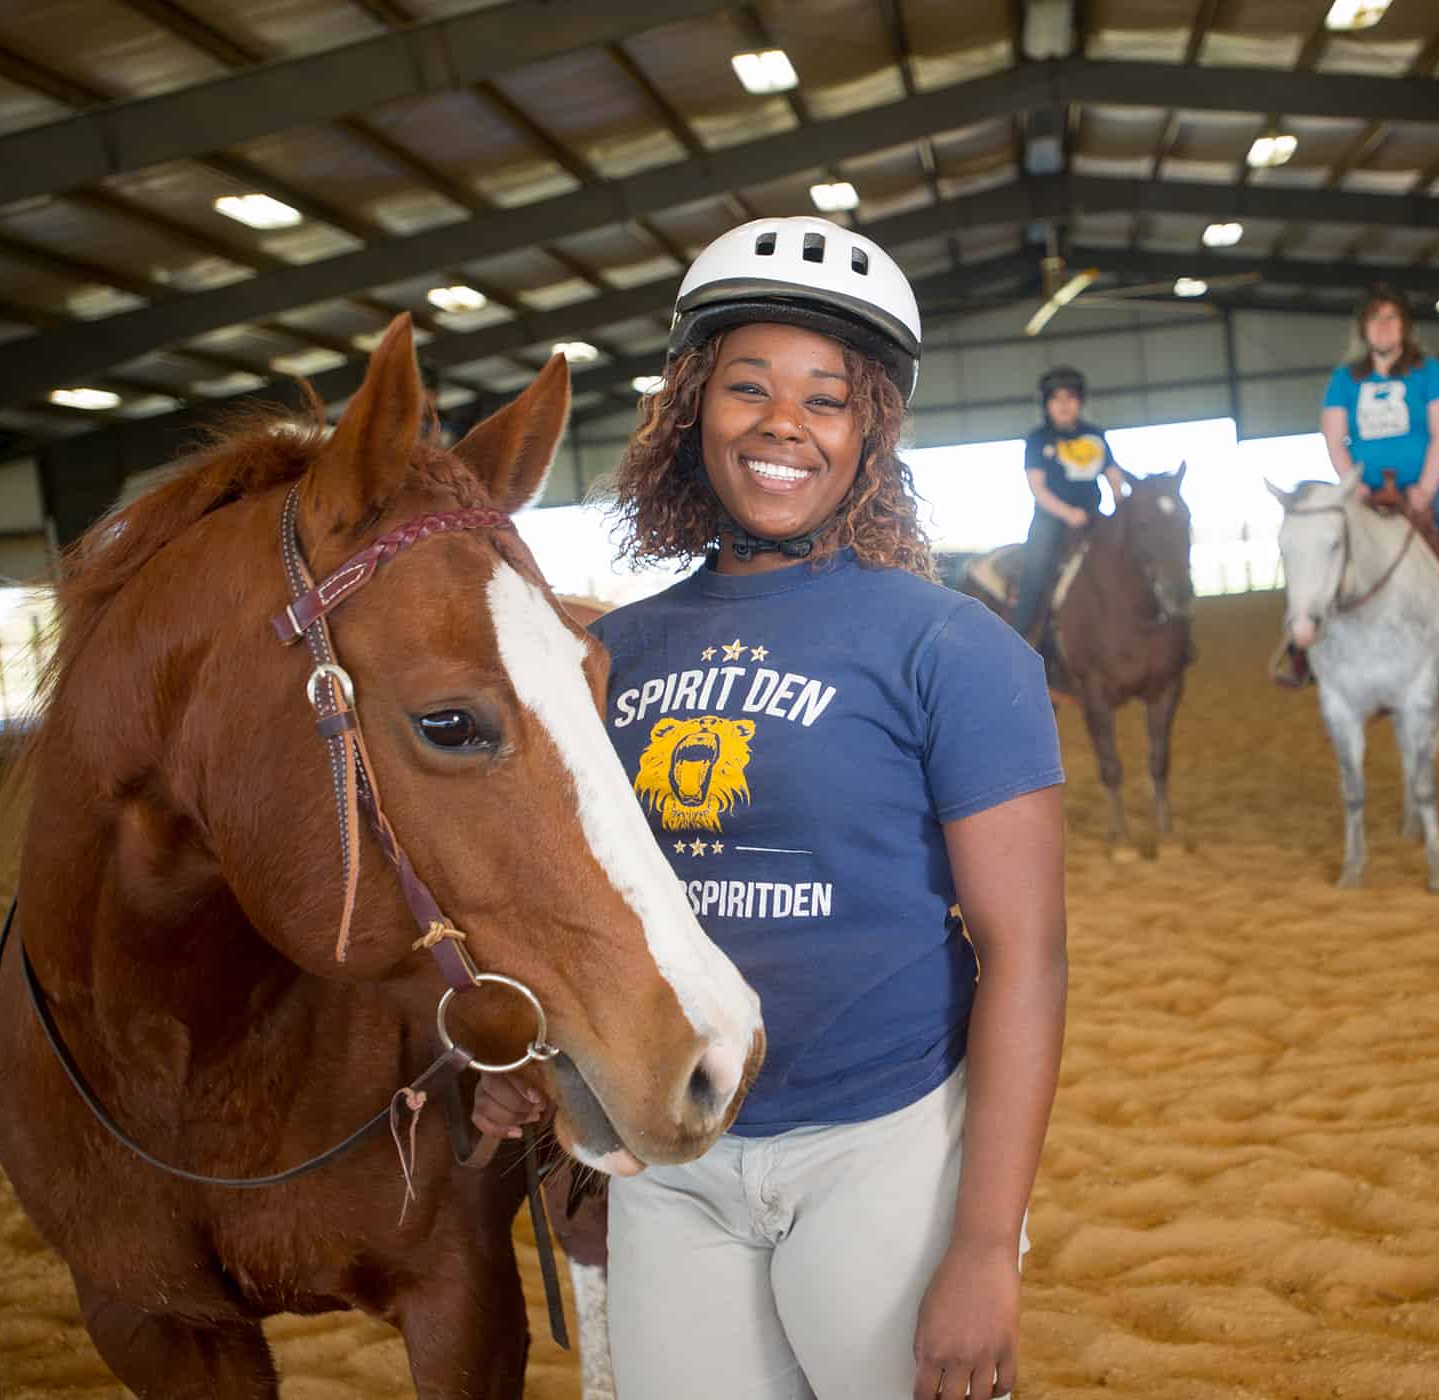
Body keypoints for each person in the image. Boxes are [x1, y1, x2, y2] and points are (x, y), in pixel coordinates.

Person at [474, 215, 1069, 1400]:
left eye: (826, 398)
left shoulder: (952, 648)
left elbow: (1028, 957)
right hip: (677, 1160)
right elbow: (576, 900)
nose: (783, 422)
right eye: (748, 387)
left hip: (882, 1138)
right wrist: (532, 1058)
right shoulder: (608, 655)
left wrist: (980, 1245)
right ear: (692, 408)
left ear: (869, 434)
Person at [1272, 283, 1439, 695]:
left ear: (1404, 327)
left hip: (1425, 486)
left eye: (1392, 319)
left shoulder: (1428, 371)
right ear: (1364, 330)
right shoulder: (1344, 379)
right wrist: (1352, 488)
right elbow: (1334, 438)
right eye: (1376, 320)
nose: (1384, 327)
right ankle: (1299, 650)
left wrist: (1425, 488)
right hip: (1362, 490)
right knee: (1318, 551)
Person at [1008, 366, 1129, 647]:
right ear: (1047, 404)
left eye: (1070, 397)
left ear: (1080, 402)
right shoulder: (1038, 439)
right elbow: (1038, 489)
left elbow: (1113, 476)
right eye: (1056, 398)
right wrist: (1068, 513)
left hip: (1093, 516)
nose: (1063, 404)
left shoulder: (1095, 435)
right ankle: (1022, 638)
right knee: (1036, 570)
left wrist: (1122, 502)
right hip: (1051, 519)